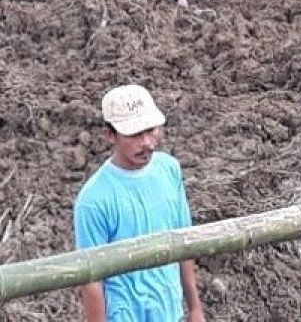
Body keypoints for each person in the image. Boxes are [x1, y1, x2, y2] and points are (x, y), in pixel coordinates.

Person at [74, 85, 205, 322]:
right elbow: (91, 279)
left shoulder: (169, 170)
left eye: (151, 130)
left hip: (170, 312)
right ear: (110, 135)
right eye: (135, 135)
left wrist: (194, 307)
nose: (147, 143)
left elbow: (185, 242)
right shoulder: (94, 200)